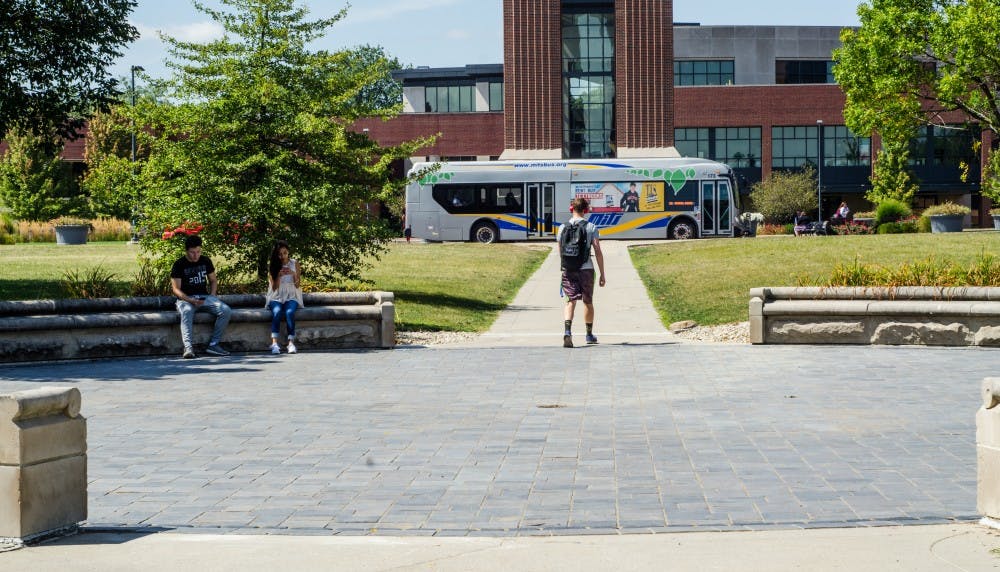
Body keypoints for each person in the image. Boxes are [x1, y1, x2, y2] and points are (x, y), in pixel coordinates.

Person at [170, 235, 232, 358]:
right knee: (186, 311)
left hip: (204, 297)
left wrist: (213, 295)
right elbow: (176, 289)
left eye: (198, 252)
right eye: (192, 252)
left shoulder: (205, 261)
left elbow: (213, 280)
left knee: (226, 310)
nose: (196, 255)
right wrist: (189, 300)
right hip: (185, 299)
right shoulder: (179, 264)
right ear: (186, 251)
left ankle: (213, 345)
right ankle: (188, 348)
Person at [557, 197, 606, 348]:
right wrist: (602, 273)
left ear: (572, 209)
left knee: (570, 301)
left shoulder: (562, 227)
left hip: (568, 269)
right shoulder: (591, 227)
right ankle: (589, 335)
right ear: (585, 210)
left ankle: (567, 332)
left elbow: (560, 248)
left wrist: (565, 265)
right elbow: (597, 250)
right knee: (588, 301)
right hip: (586, 269)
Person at [266, 240, 304, 354]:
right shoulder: (273, 265)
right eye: (280, 254)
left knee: (289, 312)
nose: (283, 256)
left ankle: (291, 343)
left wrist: (293, 274)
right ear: (276, 255)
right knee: (277, 311)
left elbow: (297, 285)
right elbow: (274, 288)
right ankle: (274, 343)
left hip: (292, 295)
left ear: (288, 252)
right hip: (276, 295)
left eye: (285, 253)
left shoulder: (294, 263)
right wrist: (278, 275)